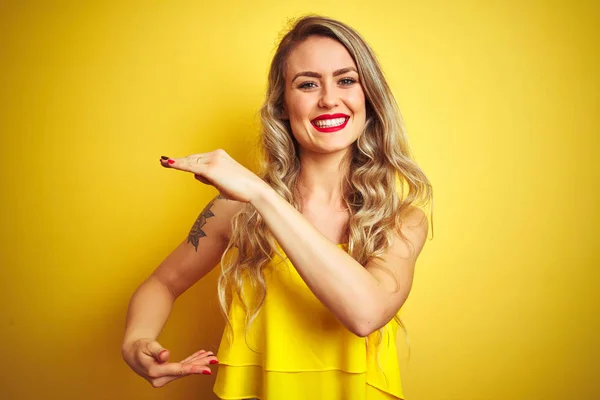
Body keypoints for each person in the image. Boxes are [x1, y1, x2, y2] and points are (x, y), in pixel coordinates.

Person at [122, 14, 433, 400]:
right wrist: (137, 339)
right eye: (307, 84)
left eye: (346, 80)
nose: (329, 99)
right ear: (283, 105)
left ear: (368, 95)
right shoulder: (235, 210)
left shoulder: (401, 221)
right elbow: (163, 283)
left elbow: (365, 313)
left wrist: (262, 194)